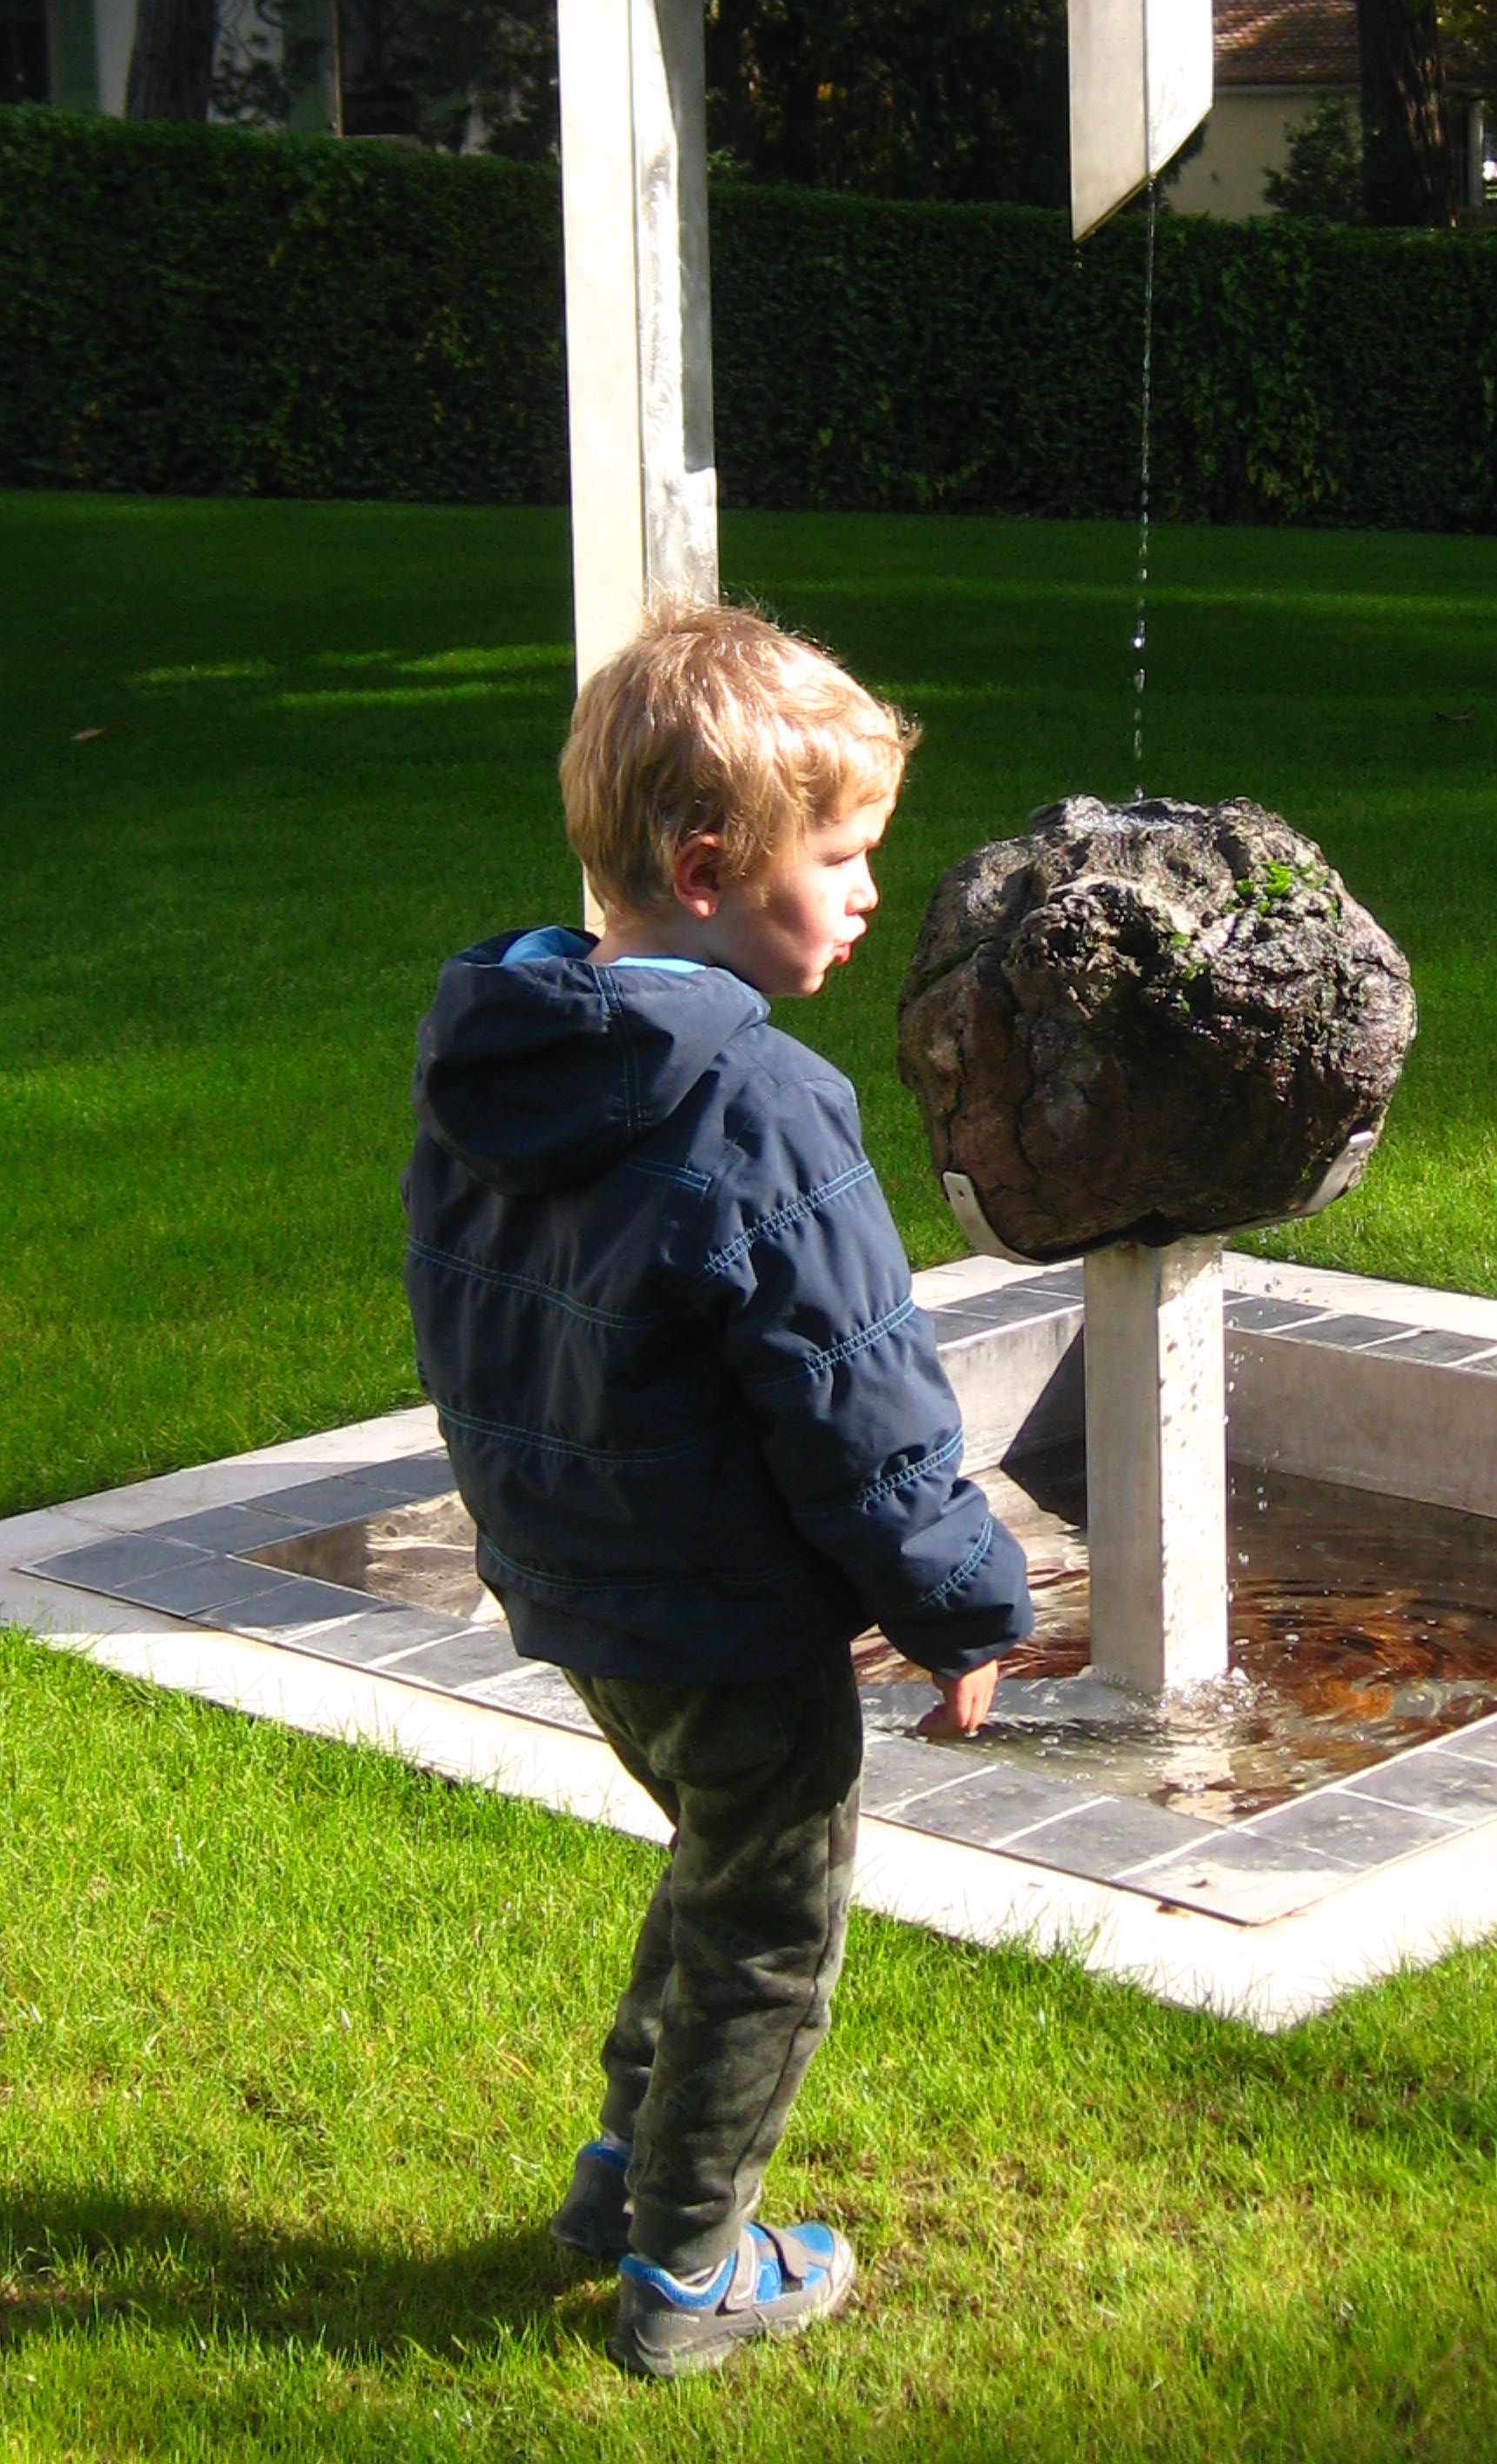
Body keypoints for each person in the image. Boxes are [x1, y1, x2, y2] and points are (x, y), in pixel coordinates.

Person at [401, 603, 1032, 2381]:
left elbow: (463, 1309)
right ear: (706, 871)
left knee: (715, 1856)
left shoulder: (500, 1055)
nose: (867, 895)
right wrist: (961, 1603)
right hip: (730, 1618)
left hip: (583, 1589)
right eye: (839, 859)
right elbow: (861, 1394)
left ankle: (623, 2174)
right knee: (770, 1919)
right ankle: (690, 2271)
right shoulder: (761, 1104)